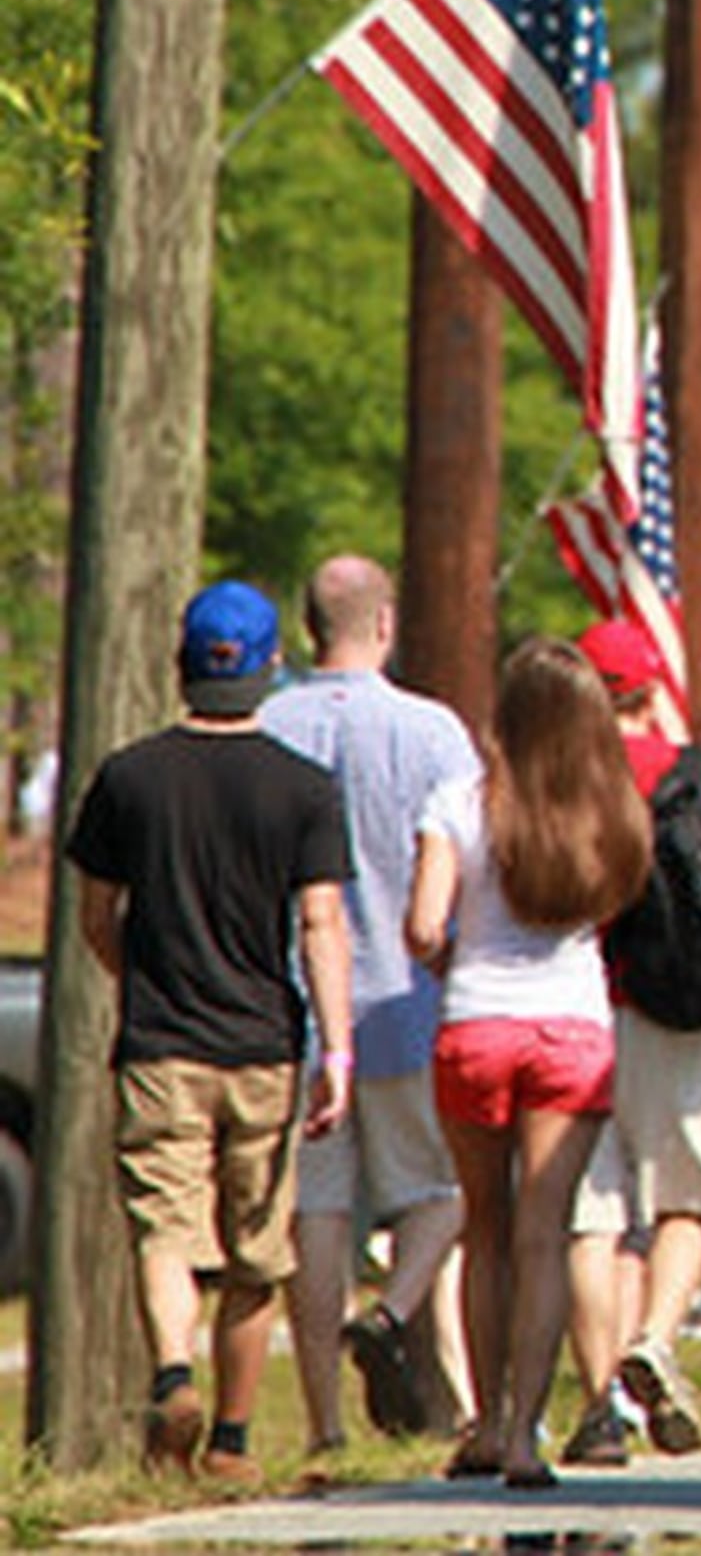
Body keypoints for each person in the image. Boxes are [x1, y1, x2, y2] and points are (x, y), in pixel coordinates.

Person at [65, 578, 356, 1483]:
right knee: (255, 1251)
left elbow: (97, 913)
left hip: (160, 1042)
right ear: (273, 665)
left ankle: (172, 1373)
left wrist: (137, 974)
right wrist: (338, 1047)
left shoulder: (128, 777)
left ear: (181, 663)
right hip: (264, 1044)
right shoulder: (304, 788)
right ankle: (230, 1439)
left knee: (165, 1227)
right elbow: (320, 923)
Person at [411, 637, 654, 1487]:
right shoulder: (612, 814)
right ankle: (525, 1435)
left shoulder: (458, 802)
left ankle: (482, 1423)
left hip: (476, 1023)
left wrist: (458, 964)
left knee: (485, 1229)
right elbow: (617, 909)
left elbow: (423, 926)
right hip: (573, 1029)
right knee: (546, 1231)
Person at [263, 554, 479, 1461]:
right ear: (385, 624)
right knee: (446, 1195)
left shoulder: (266, 725)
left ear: (306, 626)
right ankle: (397, 1321)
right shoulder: (434, 732)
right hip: (406, 1004)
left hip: (296, 1014)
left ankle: (325, 1423)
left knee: (316, 1215)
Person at [575, 613, 701, 1458]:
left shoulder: (559, 774)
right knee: (684, 1204)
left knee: (594, 1221)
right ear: (653, 688)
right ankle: (655, 1342)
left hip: (575, 1008)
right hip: (677, 1015)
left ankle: (598, 1408)